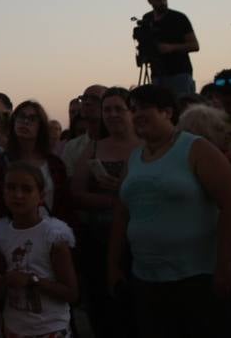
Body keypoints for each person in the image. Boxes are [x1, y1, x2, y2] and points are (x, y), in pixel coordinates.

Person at [108, 84, 231, 338]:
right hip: (146, 279)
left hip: (196, 278)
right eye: (133, 109)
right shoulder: (134, 159)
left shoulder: (196, 149)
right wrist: (112, 265)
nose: (137, 115)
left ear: (167, 111)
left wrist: (224, 265)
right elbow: (122, 214)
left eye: (145, 108)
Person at [69, 87, 138, 338]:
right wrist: (114, 201)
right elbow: (76, 194)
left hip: (139, 240)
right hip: (99, 237)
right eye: (107, 109)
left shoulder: (145, 146)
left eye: (119, 108)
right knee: (103, 305)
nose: (112, 114)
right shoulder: (95, 148)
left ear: (132, 111)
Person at [0, 161, 78, 338]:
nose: (18, 195)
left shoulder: (53, 236)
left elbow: (71, 292)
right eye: (11, 188)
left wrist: (32, 281)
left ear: (41, 195)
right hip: (15, 328)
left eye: (27, 189)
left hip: (50, 329)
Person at [0, 100, 69, 225]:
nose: (25, 122)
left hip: (49, 233)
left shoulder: (55, 165)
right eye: (21, 117)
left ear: (41, 126)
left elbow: (63, 206)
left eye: (32, 119)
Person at [135, 0, 198, 99]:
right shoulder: (147, 19)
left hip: (180, 73)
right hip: (156, 74)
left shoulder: (179, 18)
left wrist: (171, 47)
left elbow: (195, 45)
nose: (163, 2)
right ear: (150, 1)